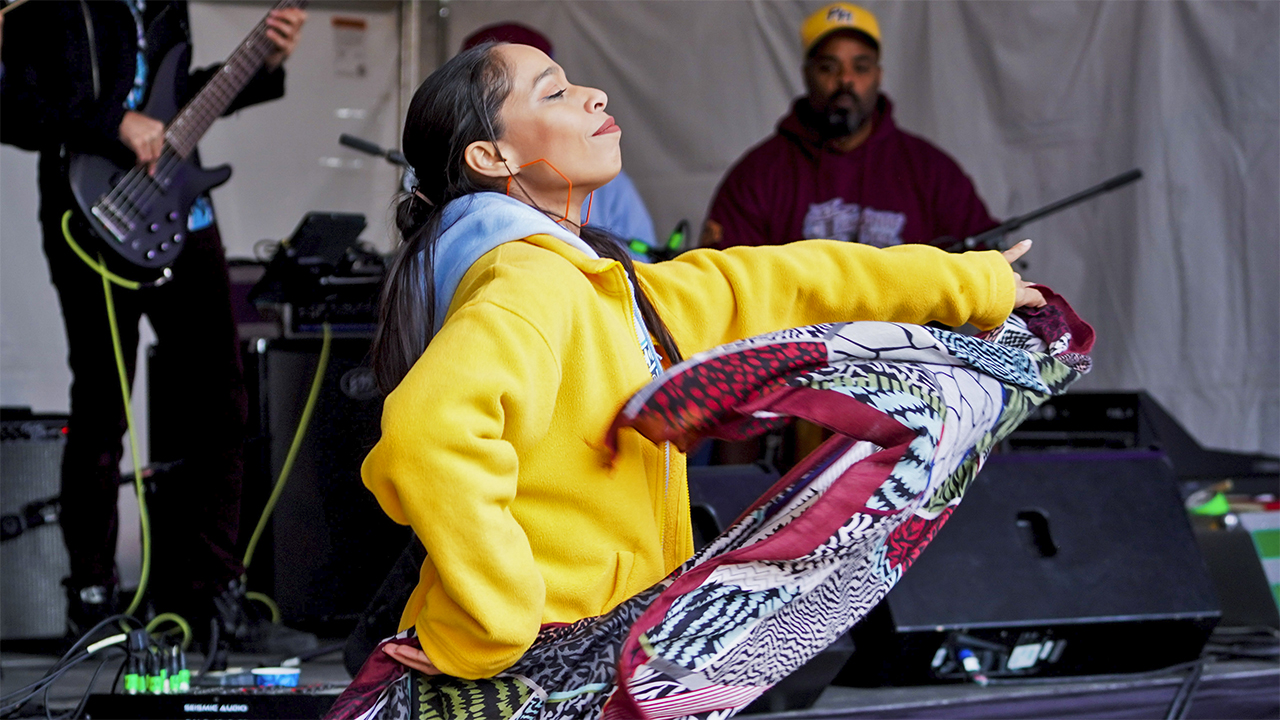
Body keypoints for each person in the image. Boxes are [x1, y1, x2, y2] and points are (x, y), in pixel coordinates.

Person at [355, 40, 1044, 684]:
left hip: (592, 654)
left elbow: (785, 280)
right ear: (492, 156)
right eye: (555, 92)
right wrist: (495, 621)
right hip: (536, 666)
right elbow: (428, 441)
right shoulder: (527, 281)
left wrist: (967, 283)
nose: (594, 95)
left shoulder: (600, 286)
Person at [0, 0, 313, 652]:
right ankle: (93, 601)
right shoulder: (42, 9)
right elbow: (14, 107)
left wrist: (264, 62)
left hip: (182, 210)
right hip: (92, 209)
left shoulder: (169, 3)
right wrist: (112, 121)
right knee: (102, 405)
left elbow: (177, 95)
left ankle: (215, 596)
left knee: (222, 402)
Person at [703, 2, 999, 250]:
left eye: (860, 67)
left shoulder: (930, 170)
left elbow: (987, 262)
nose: (845, 79)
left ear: (878, 75)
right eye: (828, 67)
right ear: (807, 75)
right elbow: (723, 278)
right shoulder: (758, 174)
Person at [461, 22, 660, 259]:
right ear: (492, 157)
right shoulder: (511, 269)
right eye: (555, 93)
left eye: (567, 83)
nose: (599, 96)